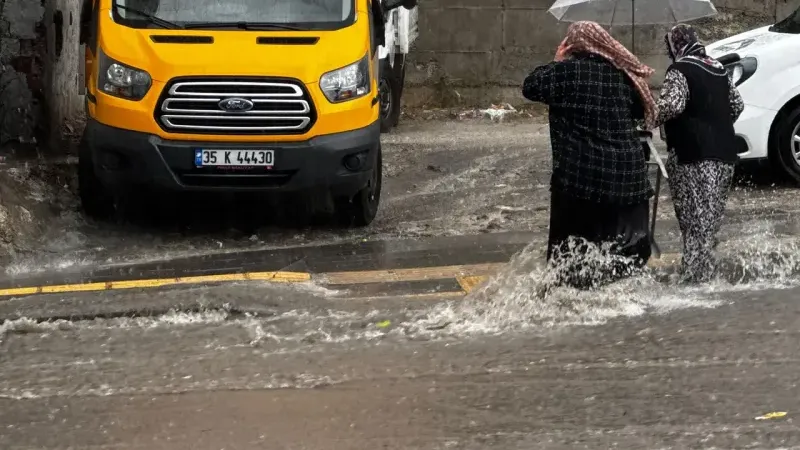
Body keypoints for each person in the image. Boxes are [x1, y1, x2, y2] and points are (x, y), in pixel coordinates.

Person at [521, 21, 658, 288]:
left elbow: (531, 86)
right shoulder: (623, 76)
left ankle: (573, 299)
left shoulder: (566, 73)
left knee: (571, 256)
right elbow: (640, 112)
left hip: (581, 181)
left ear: (573, 45)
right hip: (628, 181)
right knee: (621, 255)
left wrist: (557, 61)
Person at [655, 24, 744, 283]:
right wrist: (717, 125)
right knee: (709, 222)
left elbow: (672, 105)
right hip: (725, 155)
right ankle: (705, 275)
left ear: (675, 45)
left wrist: (647, 117)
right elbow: (737, 105)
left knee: (694, 221)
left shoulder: (679, 70)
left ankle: (695, 281)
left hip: (692, 155)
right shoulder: (717, 68)